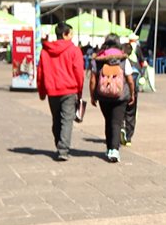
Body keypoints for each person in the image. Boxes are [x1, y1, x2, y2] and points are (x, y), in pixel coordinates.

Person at [37, 23, 85, 162]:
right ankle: (63, 149)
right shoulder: (74, 50)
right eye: (71, 34)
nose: (72, 36)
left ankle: (60, 143)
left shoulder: (45, 51)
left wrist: (42, 91)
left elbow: (40, 73)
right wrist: (79, 90)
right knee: (67, 120)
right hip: (69, 90)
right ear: (65, 34)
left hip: (52, 90)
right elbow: (78, 72)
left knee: (56, 119)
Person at [90, 34, 134, 163]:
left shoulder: (98, 59)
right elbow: (130, 79)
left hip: (103, 95)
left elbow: (93, 80)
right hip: (120, 96)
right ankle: (114, 150)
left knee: (108, 121)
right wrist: (132, 94)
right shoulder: (123, 59)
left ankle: (109, 147)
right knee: (116, 122)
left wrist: (93, 95)